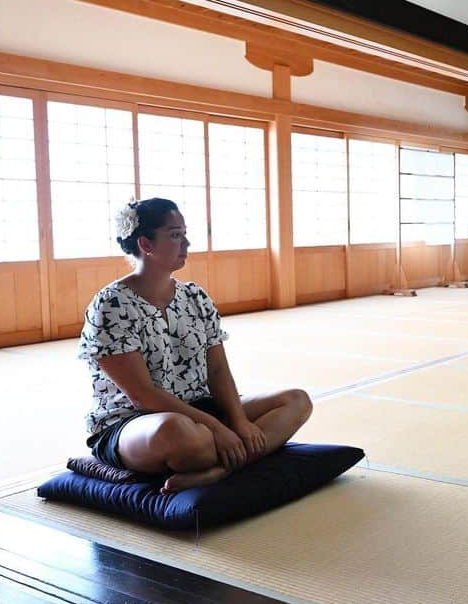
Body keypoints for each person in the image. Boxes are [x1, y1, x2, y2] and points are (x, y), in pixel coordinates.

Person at [79, 198, 313, 493]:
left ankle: (217, 471)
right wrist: (218, 429)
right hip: (134, 423)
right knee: (183, 435)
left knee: (296, 401)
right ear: (145, 244)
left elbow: (217, 370)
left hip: (200, 411)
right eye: (175, 235)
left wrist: (238, 422)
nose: (186, 242)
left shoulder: (195, 297)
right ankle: (227, 457)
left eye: (184, 233)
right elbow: (142, 396)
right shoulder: (111, 304)